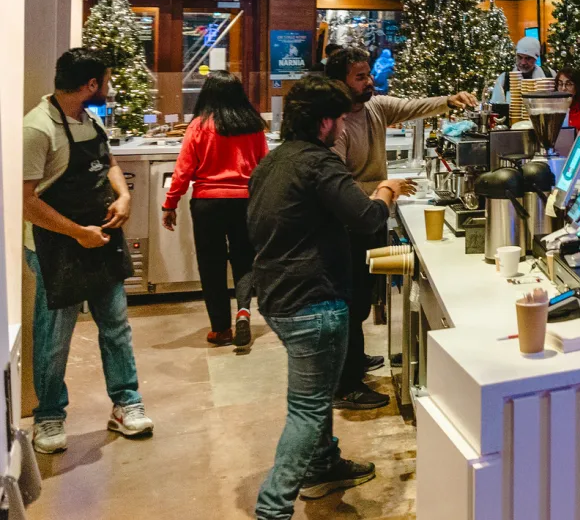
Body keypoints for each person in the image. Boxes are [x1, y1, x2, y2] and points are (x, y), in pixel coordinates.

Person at [248, 75, 416, 517]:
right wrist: (386, 190)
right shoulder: (319, 163)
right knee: (307, 409)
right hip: (313, 299)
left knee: (315, 394)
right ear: (325, 122)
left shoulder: (275, 159)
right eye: (340, 119)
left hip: (277, 294)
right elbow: (366, 218)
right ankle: (272, 508)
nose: (343, 127)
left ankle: (324, 466)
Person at [326, 45, 477, 409]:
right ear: (339, 82)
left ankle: (355, 360)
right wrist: (385, 186)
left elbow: (413, 106)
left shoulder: (375, 107)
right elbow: (336, 186)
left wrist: (449, 100)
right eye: (360, 77)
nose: (369, 82)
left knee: (361, 301)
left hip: (370, 217)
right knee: (349, 303)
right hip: (347, 226)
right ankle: (345, 385)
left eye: (368, 74)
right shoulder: (336, 126)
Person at [22, 49, 154, 454]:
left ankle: (126, 404)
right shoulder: (37, 128)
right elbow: (26, 202)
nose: (109, 87)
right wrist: (78, 233)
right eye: (106, 80)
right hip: (55, 248)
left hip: (101, 242)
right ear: (91, 84)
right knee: (54, 337)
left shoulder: (90, 119)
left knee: (116, 327)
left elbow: (108, 162)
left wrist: (124, 195)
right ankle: (48, 416)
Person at [163, 71, 268, 347]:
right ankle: (243, 310)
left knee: (212, 265)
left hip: (208, 204)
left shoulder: (199, 126)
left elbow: (183, 170)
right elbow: (264, 166)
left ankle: (221, 329)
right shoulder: (253, 125)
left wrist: (170, 203)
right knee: (244, 259)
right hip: (245, 201)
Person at [490, 34, 554, 107]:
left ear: (536, 58)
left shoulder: (549, 75)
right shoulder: (504, 79)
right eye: (520, 57)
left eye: (528, 58)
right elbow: (496, 107)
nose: (523, 62)